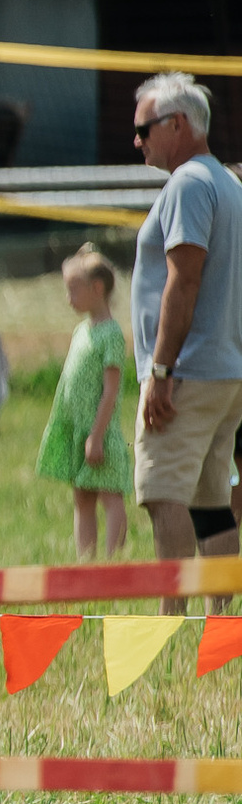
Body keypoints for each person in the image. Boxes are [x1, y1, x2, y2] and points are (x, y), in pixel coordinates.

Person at [127, 72, 242, 587]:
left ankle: (170, 625)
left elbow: (184, 279)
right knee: (211, 501)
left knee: (162, 495)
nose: (138, 140)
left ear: (177, 124)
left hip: (188, 372)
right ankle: (223, 622)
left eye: (145, 129)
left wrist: (161, 368)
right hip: (225, 368)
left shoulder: (189, 183)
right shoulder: (226, 182)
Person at [38, 245, 131, 559]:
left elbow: (111, 390)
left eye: (73, 289)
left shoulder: (111, 334)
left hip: (98, 433)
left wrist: (97, 435)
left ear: (97, 288)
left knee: (109, 495)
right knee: (82, 497)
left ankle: (112, 562)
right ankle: (86, 565)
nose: (69, 298)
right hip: (78, 430)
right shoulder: (82, 330)